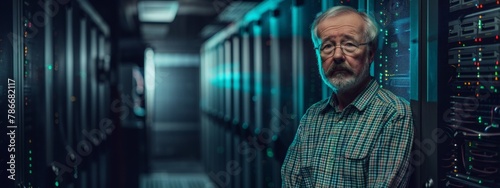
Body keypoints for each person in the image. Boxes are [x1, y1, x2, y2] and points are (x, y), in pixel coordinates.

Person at [281, 6, 414, 187]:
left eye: (349, 44)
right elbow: (290, 180)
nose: (337, 56)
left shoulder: (392, 114)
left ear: (371, 53)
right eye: (327, 46)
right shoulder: (312, 116)